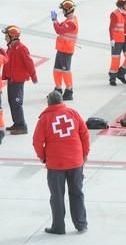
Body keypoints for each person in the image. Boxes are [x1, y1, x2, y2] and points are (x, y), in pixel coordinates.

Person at [32, 91, 89, 235]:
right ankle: (81, 224)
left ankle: (58, 226)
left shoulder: (45, 119)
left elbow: (37, 141)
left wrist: (43, 157)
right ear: (61, 100)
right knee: (77, 192)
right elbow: (84, 134)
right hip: (76, 162)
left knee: (57, 196)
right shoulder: (73, 113)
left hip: (56, 164)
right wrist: (84, 154)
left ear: (48, 103)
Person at [1, 25, 37, 135]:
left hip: (18, 80)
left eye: (6, 35)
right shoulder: (10, 48)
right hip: (11, 79)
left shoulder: (21, 48)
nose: (5, 38)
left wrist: (33, 76)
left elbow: (29, 63)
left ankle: (22, 126)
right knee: (12, 102)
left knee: (17, 102)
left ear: (12, 36)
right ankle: (16, 123)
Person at [51, 0, 79, 100]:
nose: (62, 11)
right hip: (61, 48)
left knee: (66, 71)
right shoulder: (68, 20)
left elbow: (58, 30)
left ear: (68, 10)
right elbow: (60, 28)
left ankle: (69, 91)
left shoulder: (71, 23)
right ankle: (58, 89)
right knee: (57, 70)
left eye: (63, 10)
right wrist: (56, 22)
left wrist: (54, 20)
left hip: (66, 50)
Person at [108, 0, 126, 86]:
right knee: (116, 59)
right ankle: (112, 77)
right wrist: (112, 39)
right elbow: (111, 28)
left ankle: (121, 73)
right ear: (122, 3)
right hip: (117, 40)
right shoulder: (114, 14)